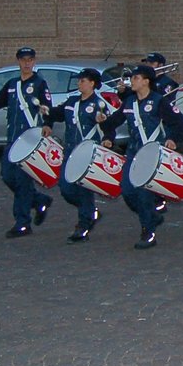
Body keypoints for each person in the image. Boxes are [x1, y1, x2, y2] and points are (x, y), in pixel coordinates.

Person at [101, 64, 183, 249]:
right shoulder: (129, 102)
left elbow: (180, 122)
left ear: (146, 81)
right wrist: (104, 125)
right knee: (127, 190)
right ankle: (152, 217)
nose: (131, 81)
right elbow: (114, 122)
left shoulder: (159, 101)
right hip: (133, 152)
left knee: (143, 193)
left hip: (152, 153)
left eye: (135, 78)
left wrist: (173, 139)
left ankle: (148, 231)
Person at [0, 46, 54, 237]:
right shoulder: (12, 84)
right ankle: (38, 200)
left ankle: (22, 223)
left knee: (22, 181)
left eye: (30, 59)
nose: (27, 63)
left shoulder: (39, 83)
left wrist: (47, 124)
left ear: (34, 61)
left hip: (30, 140)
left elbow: (47, 106)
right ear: (18, 62)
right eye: (23, 60)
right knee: (7, 176)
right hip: (12, 138)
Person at [50, 67, 115, 241]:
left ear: (92, 83)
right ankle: (90, 212)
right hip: (70, 151)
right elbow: (57, 114)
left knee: (84, 189)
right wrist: (45, 111)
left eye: (83, 80)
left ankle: (83, 225)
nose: (79, 83)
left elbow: (108, 127)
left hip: (87, 153)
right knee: (66, 188)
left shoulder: (98, 104)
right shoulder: (72, 101)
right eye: (79, 80)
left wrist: (108, 138)